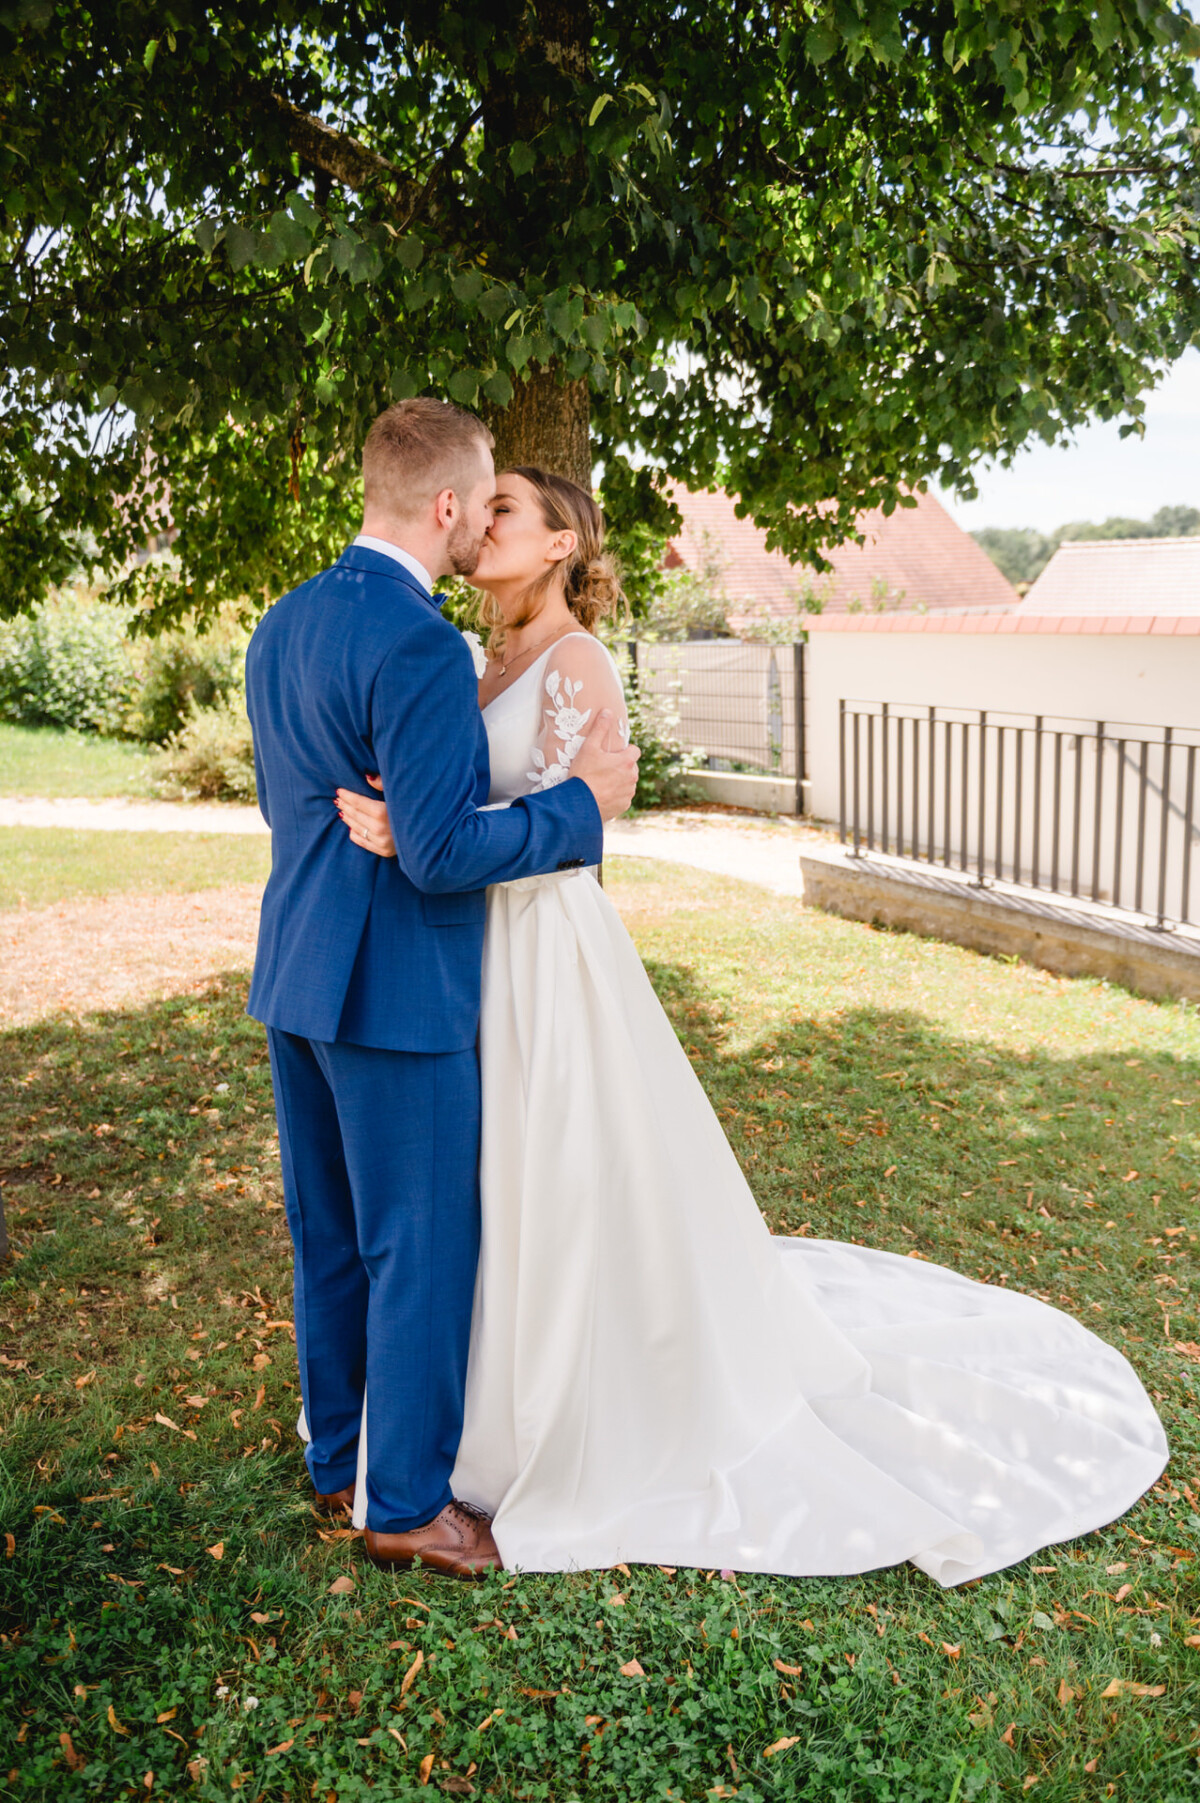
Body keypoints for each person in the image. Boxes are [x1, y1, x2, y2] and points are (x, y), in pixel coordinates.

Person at [336, 462, 1169, 1586]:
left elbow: (578, 825)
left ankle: (570, 1393)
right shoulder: (472, 660)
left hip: (543, 946)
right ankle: (477, 1389)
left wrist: (428, 832)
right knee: (485, 1174)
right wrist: (416, 823)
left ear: (561, 544)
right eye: (480, 510)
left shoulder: (578, 663)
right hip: (468, 949)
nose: (481, 526)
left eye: (505, 512)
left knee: (559, 1167)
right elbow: (459, 812)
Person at [244, 401, 639, 1580]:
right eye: (486, 502)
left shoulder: (284, 621)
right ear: (450, 504)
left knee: (328, 1234)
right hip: (397, 988)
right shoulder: (422, 643)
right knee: (414, 1247)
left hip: (300, 973)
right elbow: (443, 853)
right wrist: (582, 810)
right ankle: (408, 1505)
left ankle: (338, 1455)